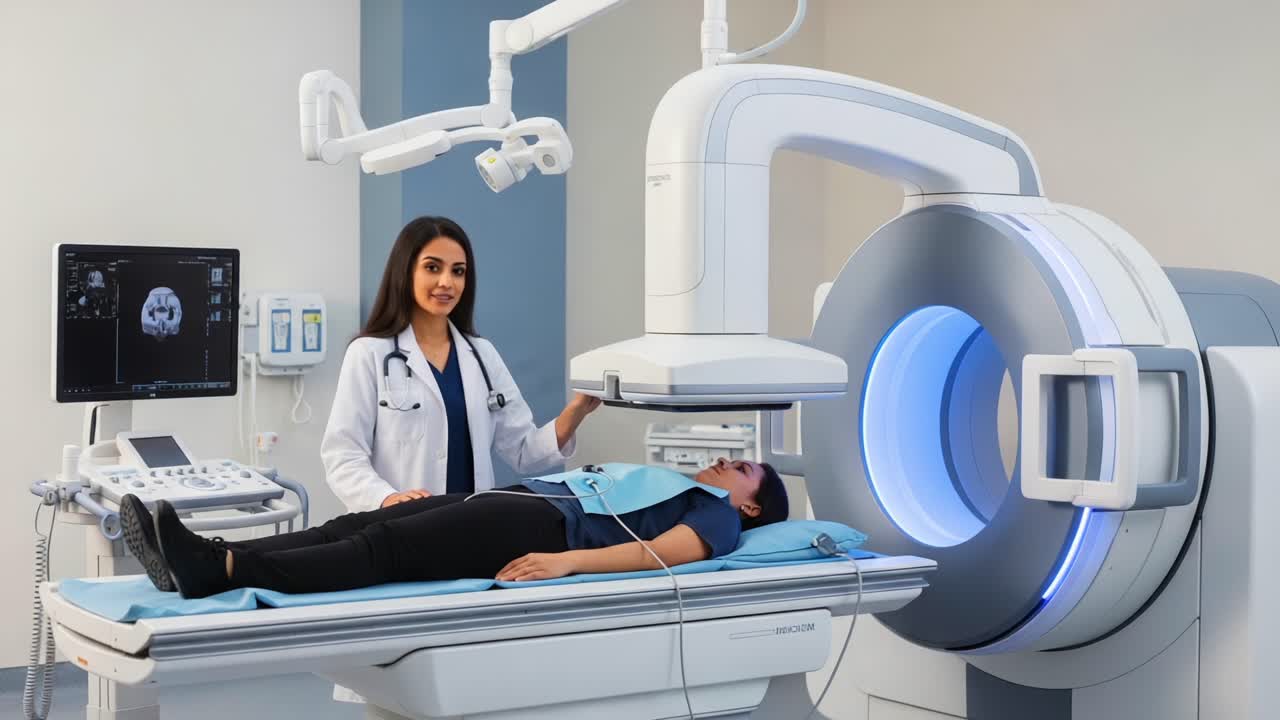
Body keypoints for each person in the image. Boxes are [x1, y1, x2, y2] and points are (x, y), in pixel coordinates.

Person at [118, 458, 790, 599]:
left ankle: (222, 571)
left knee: (380, 550)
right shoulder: (679, 484)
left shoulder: (715, 516)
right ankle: (207, 556)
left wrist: (567, 564)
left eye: (744, 470)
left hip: (547, 529)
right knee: (351, 523)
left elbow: (658, 556)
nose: (726, 462)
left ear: (750, 506)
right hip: (516, 499)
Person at [323, 215, 600, 512]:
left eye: (458, 271)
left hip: (468, 526)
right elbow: (343, 455)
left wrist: (577, 410)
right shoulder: (369, 354)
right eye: (432, 268)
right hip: (396, 527)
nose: (447, 282)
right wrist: (386, 498)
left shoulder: (482, 354)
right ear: (405, 272)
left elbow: (523, 450)